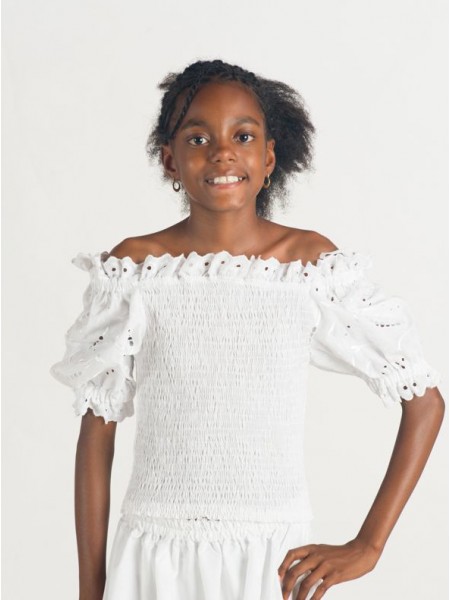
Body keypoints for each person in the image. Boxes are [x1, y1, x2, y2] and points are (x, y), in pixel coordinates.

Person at [49, 59, 445, 600]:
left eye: (242, 136)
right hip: (153, 554)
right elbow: (97, 435)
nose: (222, 153)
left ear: (268, 157)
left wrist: (368, 544)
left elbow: (424, 401)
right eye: (198, 138)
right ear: (169, 159)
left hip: (271, 560)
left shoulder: (307, 267)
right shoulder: (135, 271)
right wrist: (90, 591)